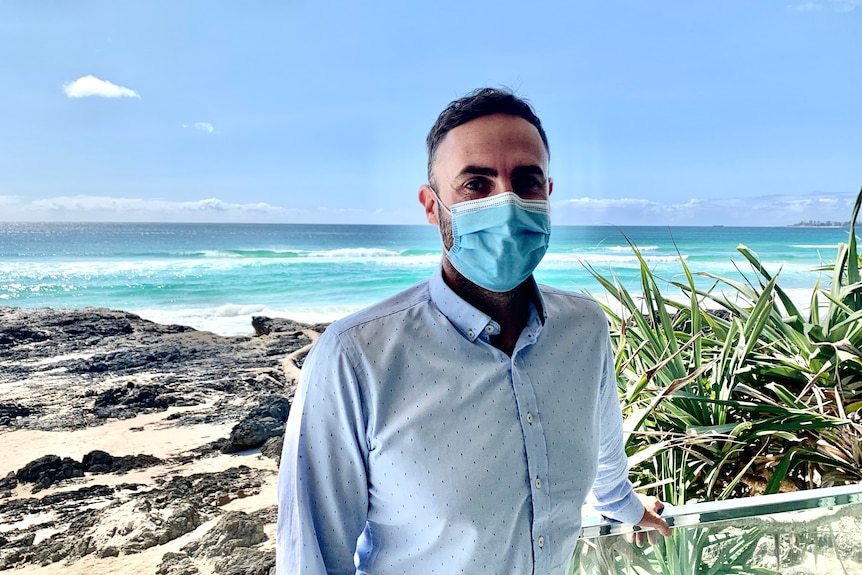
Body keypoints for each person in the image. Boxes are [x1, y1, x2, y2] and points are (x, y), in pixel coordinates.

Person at [277, 87, 670, 574]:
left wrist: (629, 509)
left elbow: (606, 454)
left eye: (525, 181)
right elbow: (311, 557)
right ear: (431, 205)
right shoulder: (354, 358)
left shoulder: (585, 327)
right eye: (476, 185)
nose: (506, 204)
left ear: (547, 194)